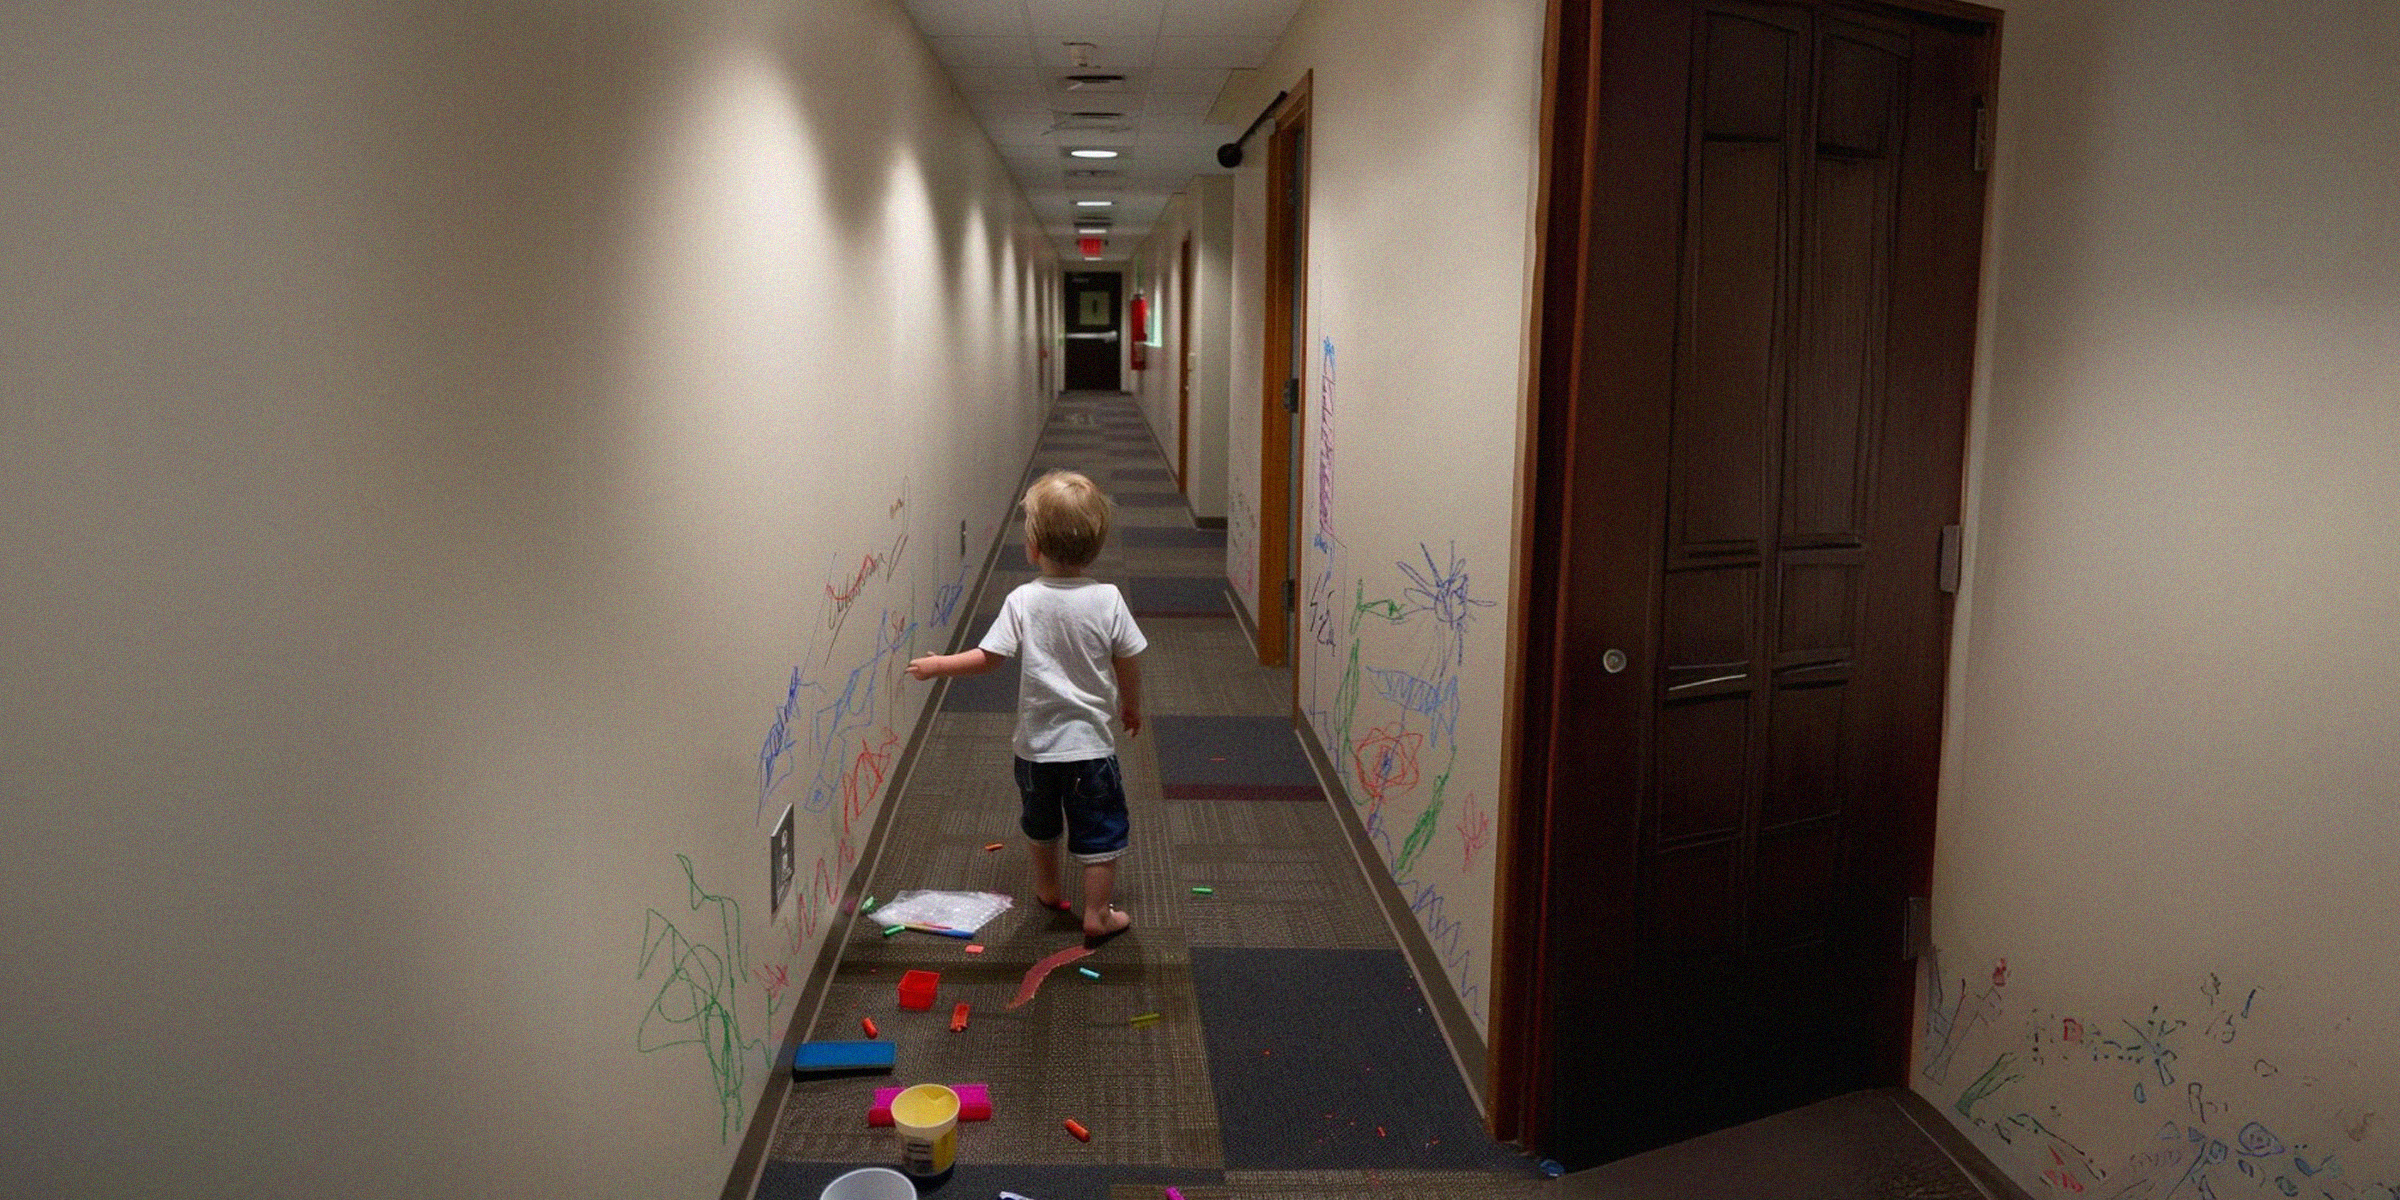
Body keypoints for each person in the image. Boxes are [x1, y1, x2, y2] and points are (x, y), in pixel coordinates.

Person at [907, 470, 1145, 947]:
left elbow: (987, 658)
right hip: (1090, 749)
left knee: (1040, 822)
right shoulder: (1108, 599)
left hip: (1034, 749)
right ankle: (1097, 914)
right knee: (1100, 831)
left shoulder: (1023, 599)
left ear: (1034, 547)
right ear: (1095, 546)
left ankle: (1048, 888)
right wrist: (1131, 707)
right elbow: (1129, 658)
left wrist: (938, 666)